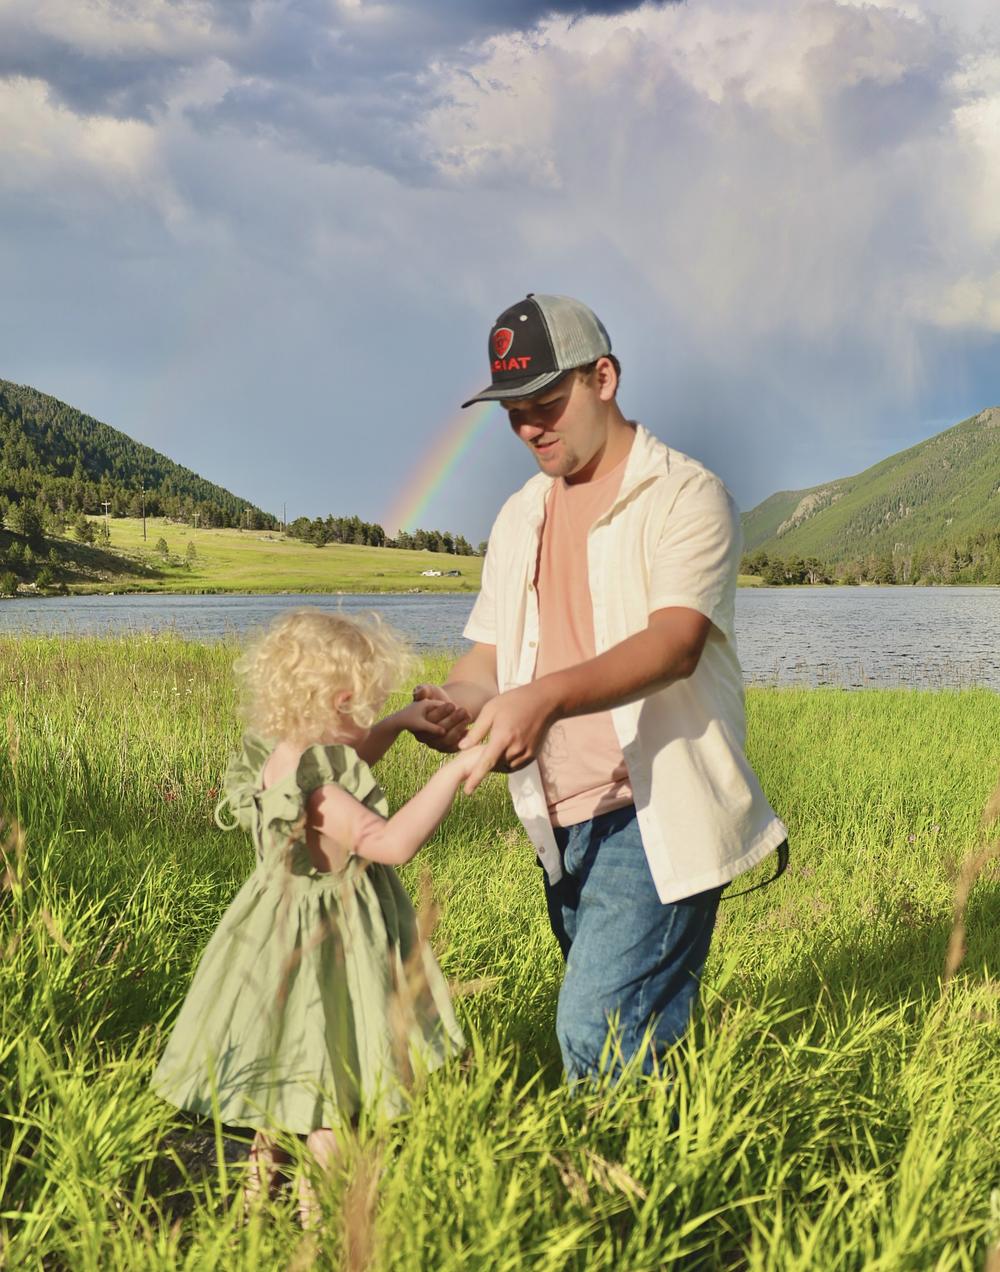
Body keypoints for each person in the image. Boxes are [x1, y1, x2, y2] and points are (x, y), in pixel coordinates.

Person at [415, 292, 788, 1081]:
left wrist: (543, 698)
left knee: (597, 1030)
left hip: (652, 811)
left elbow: (673, 645)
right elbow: (486, 663)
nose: (530, 428)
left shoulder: (686, 495)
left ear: (604, 378)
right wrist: (455, 705)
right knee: (634, 1036)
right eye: (513, 413)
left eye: (546, 403)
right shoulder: (518, 517)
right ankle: (673, 1148)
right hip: (558, 822)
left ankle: (613, 1163)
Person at [152, 608, 478, 1219]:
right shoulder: (323, 793)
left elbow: (349, 758)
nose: (371, 720)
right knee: (335, 1100)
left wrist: (398, 723)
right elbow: (391, 843)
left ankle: (253, 1216)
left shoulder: (277, 761)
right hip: (333, 949)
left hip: (276, 940)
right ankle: (327, 1226)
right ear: (339, 704)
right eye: (368, 708)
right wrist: (454, 771)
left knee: (285, 1092)